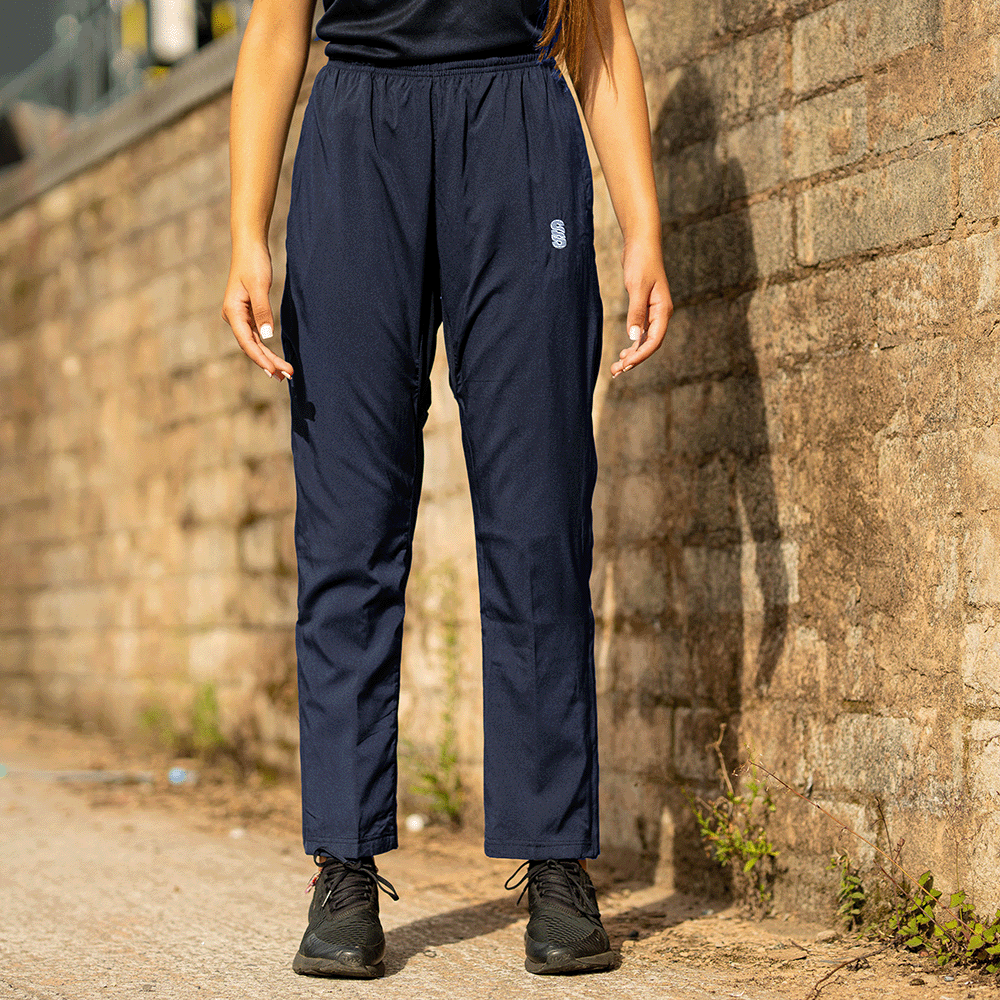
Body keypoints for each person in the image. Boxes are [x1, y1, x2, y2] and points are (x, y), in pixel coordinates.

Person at [221, 0, 672, 979]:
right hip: (357, 136)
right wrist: (247, 232)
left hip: (518, 128)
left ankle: (555, 857)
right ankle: (344, 862)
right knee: (347, 523)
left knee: (539, 516)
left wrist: (642, 226)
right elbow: (275, 30)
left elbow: (597, 34)